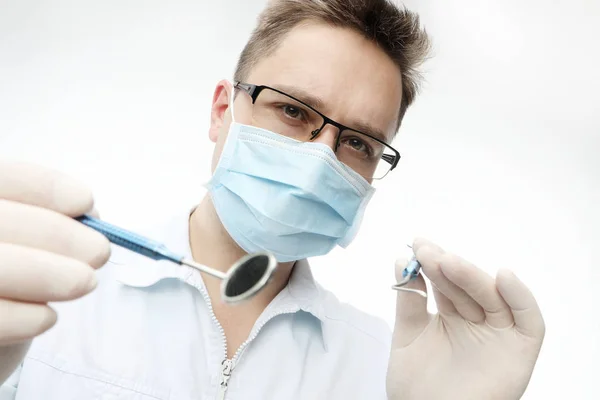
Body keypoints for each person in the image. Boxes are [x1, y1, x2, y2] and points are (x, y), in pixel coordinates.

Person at [0, 0, 545, 399]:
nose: (319, 161)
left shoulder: (385, 367)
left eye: (357, 142)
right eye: (293, 111)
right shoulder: (54, 297)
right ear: (222, 111)